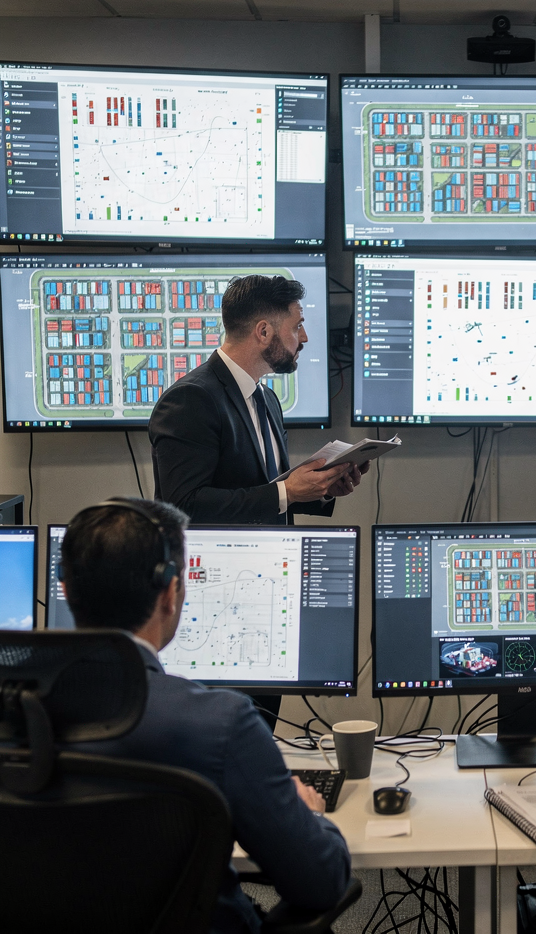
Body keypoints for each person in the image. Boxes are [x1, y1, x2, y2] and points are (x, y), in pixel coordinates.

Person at [61, 497, 350, 934]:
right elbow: (320, 882)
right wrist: (310, 815)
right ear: (170, 591)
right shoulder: (221, 724)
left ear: (65, 589)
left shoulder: (16, 715)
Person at [149, 273, 367, 526]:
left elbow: (263, 490)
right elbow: (183, 506)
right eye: (297, 326)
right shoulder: (191, 398)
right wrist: (288, 491)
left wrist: (322, 488)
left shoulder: (267, 399)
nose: (304, 337)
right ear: (264, 331)